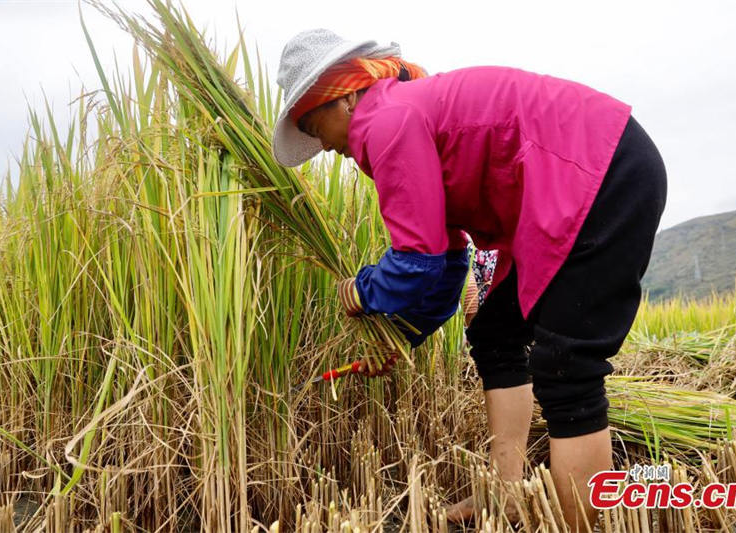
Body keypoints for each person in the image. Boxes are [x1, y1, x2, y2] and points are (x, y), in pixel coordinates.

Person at [271, 29, 667, 531]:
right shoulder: (399, 116)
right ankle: (502, 496)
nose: (321, 146)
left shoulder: (387, 120)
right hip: (565, 186)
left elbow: (416, 260)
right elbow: (447, 260)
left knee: (567, 368)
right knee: (494, 333)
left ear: (345, 96)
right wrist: (403, 335)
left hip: (597, 170)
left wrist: (361, 290)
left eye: (313, 124)